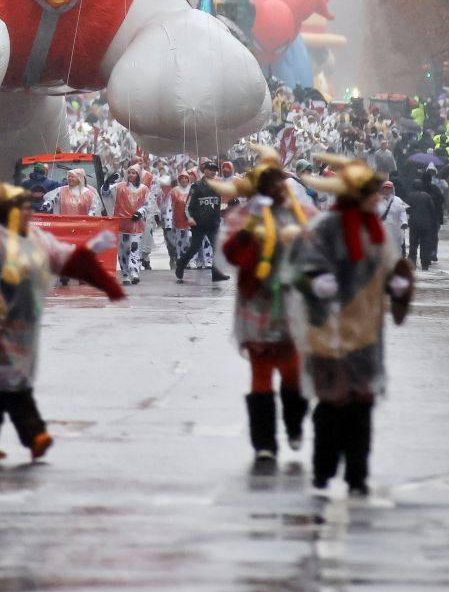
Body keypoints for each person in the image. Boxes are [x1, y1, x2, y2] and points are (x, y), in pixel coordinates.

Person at [0, 178, 124, 462]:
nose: (28, 214)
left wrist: (97, 260)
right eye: (22, 209)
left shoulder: (34, 237)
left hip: (24, 325)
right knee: (11, 381)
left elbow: (63, 257)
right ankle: (35, 436)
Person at [292, 154, 415, 498]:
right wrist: (316, 282)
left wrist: (397, 285)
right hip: (328, 330)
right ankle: (323, 468)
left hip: (366, 332)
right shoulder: (326, 228)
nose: (375, 198)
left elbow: (390, 269)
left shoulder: (376, 232)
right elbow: (302, 268)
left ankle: (357, 473)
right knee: (332, 402)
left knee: (361, 404)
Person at [215, 149, 314, 463]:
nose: (275, 189)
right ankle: (264, 443)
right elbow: (229, 256)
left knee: (293, 372)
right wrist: (251, 226)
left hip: (292, 304)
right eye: (267, 184)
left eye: (278, 183)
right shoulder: (244, 217)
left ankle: (295, 425)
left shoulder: (304, 215)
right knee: (260, 373)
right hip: (256, 303)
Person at [176, 164, 228, 283]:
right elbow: (187, 206)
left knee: (217, 248)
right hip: (198, 224)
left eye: (215, 170)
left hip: (213, 223)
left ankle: (216, 273)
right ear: (205, 170)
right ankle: (181, 263)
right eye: (211, 170)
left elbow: (221, 202)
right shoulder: (197, 186)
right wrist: (190, 218)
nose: (213, 172)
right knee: (195, 247)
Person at [111, 165, 154, 286]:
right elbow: (106, 193)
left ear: (138, 176)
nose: (130, 175)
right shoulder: (119, 187)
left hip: (136, 224)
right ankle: (125, 274)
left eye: (133, 173)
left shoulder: (144, 189)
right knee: (123, 251)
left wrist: (140, 213)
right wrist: (106, 184)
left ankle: (134, 273)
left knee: (134, 249)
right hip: (122, 225)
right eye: (129, 173)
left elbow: (148, 205)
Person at [404, 173, 441, 270]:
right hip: (425, 224)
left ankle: (412, 262)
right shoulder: (427, 196)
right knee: (425, 244)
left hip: (414, 224)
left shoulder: (410, 196)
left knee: (413, 244)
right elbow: (432, 209)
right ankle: (425, 263)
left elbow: (407, 209)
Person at [163, 169, 194, 269]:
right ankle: (181, 259)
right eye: (182, 178)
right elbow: (169, 207)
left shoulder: (193, 190)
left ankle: (190, 259)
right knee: (180, 241)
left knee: (190, 239)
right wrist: (168, 222)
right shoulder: (173, 191)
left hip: (191, 221)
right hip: (178, 221)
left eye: (186, 178)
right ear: (179, 180)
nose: (184, 180)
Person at [376, 179, 410, 260]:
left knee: (396, 248)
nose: (387, 190)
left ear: (392, 189)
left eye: (389, 188)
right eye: (385, 188)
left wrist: (404, 222)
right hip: (382, 229)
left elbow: (402, 212)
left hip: (395, 230)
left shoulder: (398, 200)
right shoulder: (377, 201)